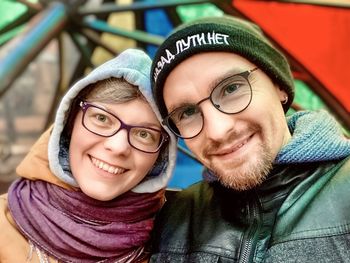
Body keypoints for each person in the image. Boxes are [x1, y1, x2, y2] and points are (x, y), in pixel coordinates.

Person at [148, 15, 350, 262]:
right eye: (187, 113)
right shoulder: (177, 216)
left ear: (279, 86)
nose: (217, 130)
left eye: (232, 88)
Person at [0, 49, 177, 262]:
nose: (118, 147)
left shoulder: (178, 240)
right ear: (69, 123)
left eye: (143, 134)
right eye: (102, 119)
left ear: (160, 157)